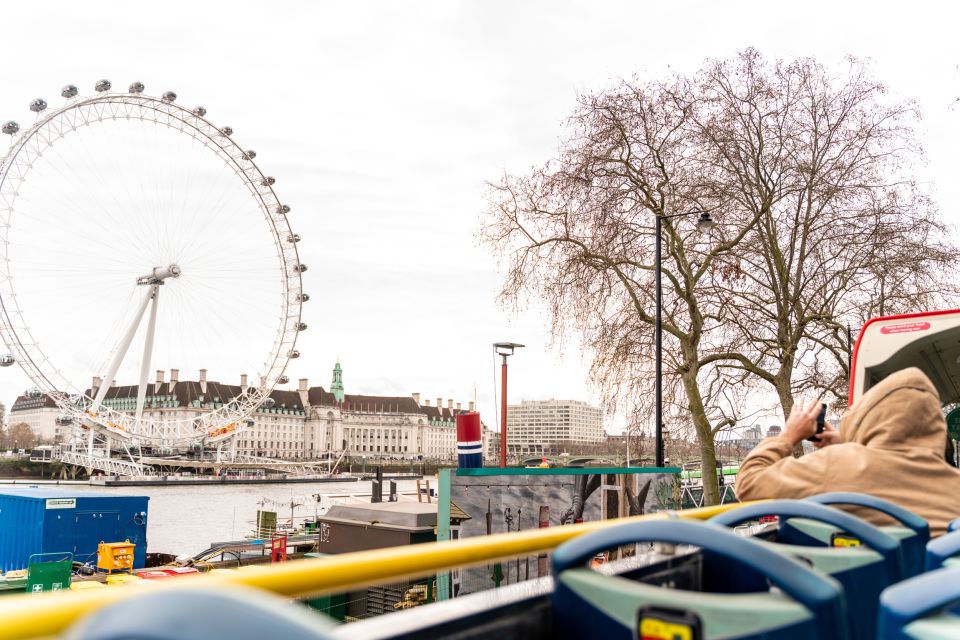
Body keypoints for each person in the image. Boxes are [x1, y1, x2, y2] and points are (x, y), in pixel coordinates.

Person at [736, 367, 960, 537]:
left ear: (868, 417)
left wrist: (788, 435)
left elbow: (748, 482)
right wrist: (850, 441)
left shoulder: (840, 465)